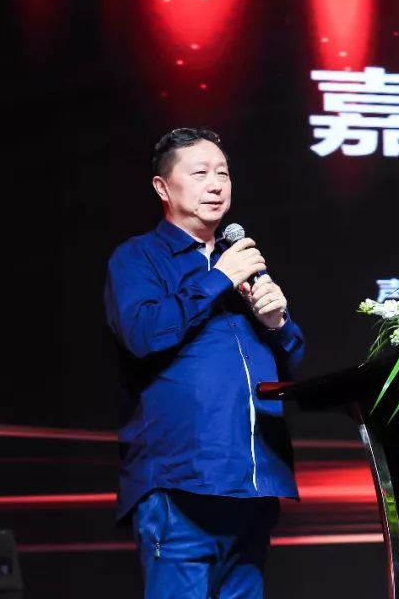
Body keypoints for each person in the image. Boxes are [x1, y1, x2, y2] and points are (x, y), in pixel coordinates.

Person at [104, 127, 305, 598]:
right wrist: (217, 280)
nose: (215, 185)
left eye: (223, 173)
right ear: (163, 187)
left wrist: (277, 324)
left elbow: (290, 366)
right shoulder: (138, 258)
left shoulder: (243, 263)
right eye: (200, 174)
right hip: (181, 484)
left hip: (252, 484)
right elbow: (143, 333)